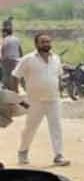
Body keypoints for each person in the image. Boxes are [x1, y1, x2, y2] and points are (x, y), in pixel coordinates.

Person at [14, 34, 68, 167]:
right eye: (43, 42)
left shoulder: (56, 58)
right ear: (36, 44)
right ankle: (23, 151)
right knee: (30, 128)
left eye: (48, 42)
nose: (46, 44)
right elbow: (16, 75)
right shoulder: (28, 59)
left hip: (53, 99)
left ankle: (58, 155)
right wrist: (17, 95)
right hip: (34, 101)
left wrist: (59, 88)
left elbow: (59, 76)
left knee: (56, 127)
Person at [1, 25, 21, 91]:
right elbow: (19, 49)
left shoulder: (5, 39)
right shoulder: (16, 39)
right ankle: (15, 89)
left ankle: (6, 88)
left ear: (5, 32)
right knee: (14, 75)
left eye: (2, 33)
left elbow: (3, 49)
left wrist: (2, 59)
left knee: (6, 75)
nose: (2, 34)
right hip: (17, 60)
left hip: (8, 60)